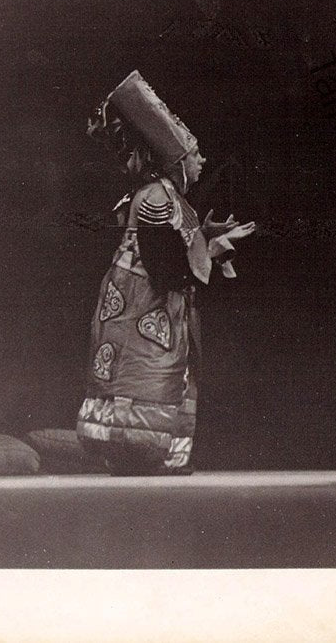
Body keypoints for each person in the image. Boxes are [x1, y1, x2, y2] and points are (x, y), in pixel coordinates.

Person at [77, 70, 255, 475]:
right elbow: (164, 269)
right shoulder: (156, 197)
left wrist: (204, 237)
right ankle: (137, 455)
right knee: (143, 374)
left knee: (159, 375)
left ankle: (152, 456)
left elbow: (170, 253)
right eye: (195, 155)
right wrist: (210, 248)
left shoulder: (168, 196)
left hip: (148, 308)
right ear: (176, 160)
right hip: (142, 307)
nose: (202, 161)